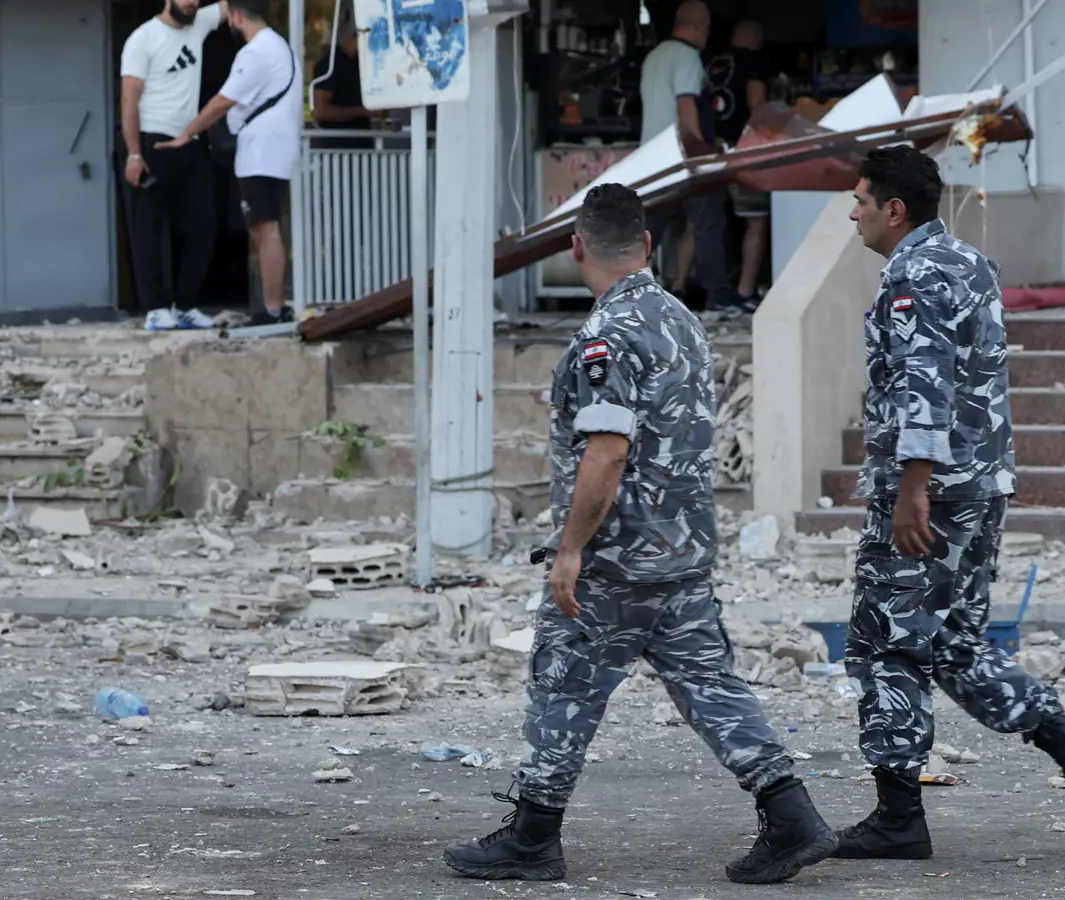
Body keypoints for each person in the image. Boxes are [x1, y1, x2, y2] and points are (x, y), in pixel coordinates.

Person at [441, 184, 837, 886]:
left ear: (576, 248)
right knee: (711, 687)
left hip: (615, 560)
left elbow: (606, 452)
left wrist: (569, 550)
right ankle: (791, 814)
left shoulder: (605, 335)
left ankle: (534, 835)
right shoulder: (681, 319)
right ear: (648, 246)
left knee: (562, 685)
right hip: (681, 550)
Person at [835, 146, 1065, 861]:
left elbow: (924, 384)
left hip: (932, 489)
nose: (853, 212)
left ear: (893, 210)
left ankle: (898, 817)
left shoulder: (912, 275)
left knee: (885, 642)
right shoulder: (968, 262)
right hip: (982, 482)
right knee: (952, 644)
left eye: (860, 199)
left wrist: (910, 489)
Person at [159, 0, 301, 326]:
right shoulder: (281, 47)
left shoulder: (255, 53)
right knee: (263, 228)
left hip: (262, 153)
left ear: (236, 17)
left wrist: (186, 134)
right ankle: (273, 307)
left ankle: (272, 310)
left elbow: (223, 101)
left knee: (265, 229)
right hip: (273, 150)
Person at [119, 0, 227, 320]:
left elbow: (228, 6)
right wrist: (134, 153)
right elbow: (129, 100)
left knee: (203, 226)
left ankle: (186, 305)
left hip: (190, 144)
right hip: (153, 142)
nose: (191, 2)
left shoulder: (200, 22)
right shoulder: (144, 38)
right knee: (149, 230)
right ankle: (156, 308)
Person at [638, 0, 736, 313]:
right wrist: (699, 155)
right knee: (708, 223)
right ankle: (717, 297)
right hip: (682, 157)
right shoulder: (688, 57)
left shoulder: (654, 57)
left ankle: (628, 293)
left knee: (649, 231)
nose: (707, 36)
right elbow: (685, 106)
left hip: (653, 158)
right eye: (706, 29)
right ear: (695, 26)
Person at [706, 19, 770, 308]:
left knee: (703, 222)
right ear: (756, 38)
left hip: (710, 149)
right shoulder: (754, 62)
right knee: (755, 220)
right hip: (741, 149)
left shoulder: (710, 61)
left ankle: (682, 287)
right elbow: (756, 107)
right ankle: (745, 292)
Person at [311, 14, 376, 150]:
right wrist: (363, 112)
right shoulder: (330, 64)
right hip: (337, 151)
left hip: (364, 149)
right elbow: (320, 111)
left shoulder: (363, 64)